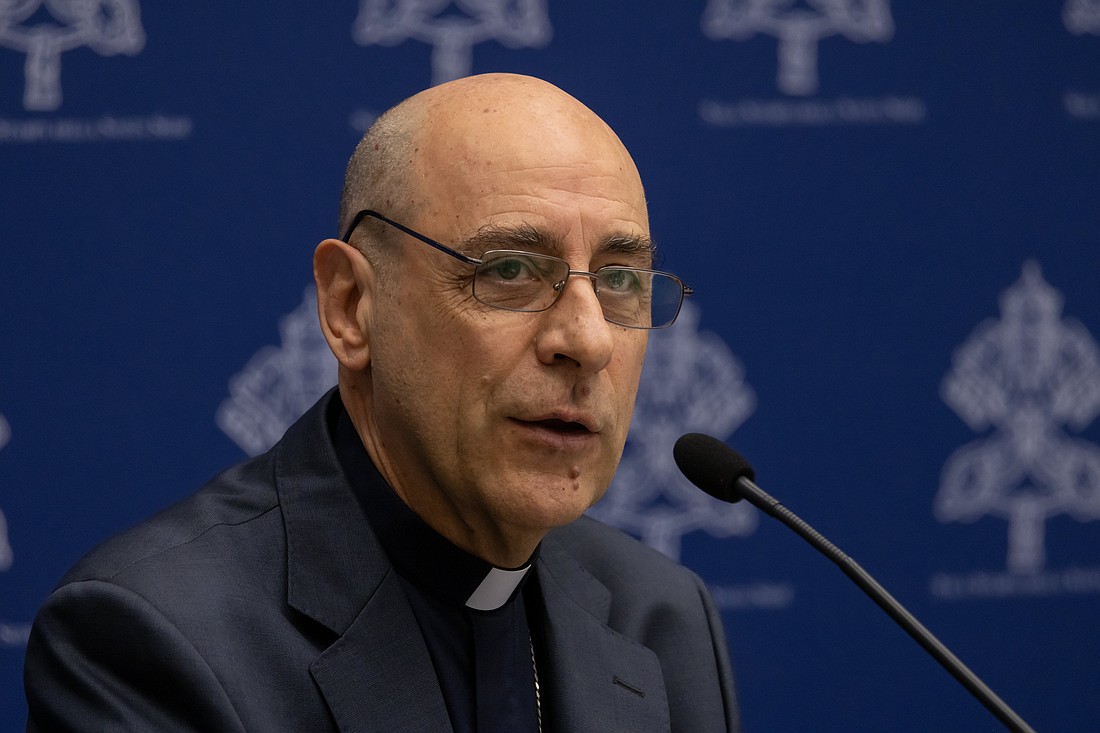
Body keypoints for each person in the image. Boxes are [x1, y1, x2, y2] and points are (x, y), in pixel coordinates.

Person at [24, 73, 740, 732]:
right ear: (351, 306)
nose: (588, 340)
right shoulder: (157, 634)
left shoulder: (662, 617)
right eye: (511, 270)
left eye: (619, 279)